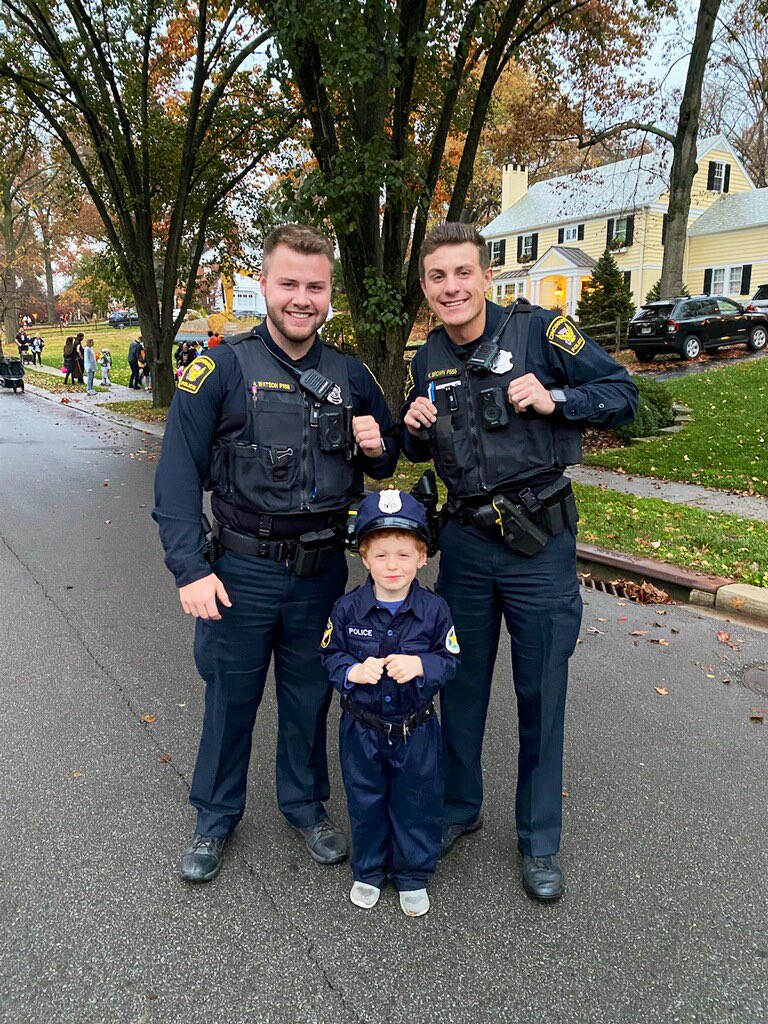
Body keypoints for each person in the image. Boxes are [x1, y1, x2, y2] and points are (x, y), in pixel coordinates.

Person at [153, 223, 400, 883]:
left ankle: (304, 806)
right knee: (231, 699)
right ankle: (214, 817)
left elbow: (388, 455)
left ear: (329, 294)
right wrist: (190, 569)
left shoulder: (349, 373)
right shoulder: (222, 368)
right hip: (238, 574)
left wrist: (378, 446)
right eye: (288, 283)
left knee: (308, 698)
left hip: (320, 575)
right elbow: (175, 476)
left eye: (314, 287)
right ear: (263, 285)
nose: (301, 298)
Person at [401, 222, 638, 902]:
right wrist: (414, 429)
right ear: (427, 287)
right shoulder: (427, 358)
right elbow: (424, 452)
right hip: (469, 547)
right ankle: (458, 809)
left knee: (541, 692)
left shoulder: (542, 333)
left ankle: (538, 841)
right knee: (460, 686)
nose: (452, 287)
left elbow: (622, 395)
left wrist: (557, 399)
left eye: (462, 273)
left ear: (485, 277)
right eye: (438, 277)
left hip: (539, 545)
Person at [320, 489, 459, 917]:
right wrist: (350, 672)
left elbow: (450, 661)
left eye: (403, 554)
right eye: (381, 555)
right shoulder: (347, 610)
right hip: (362, 728)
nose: (392, 565)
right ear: (364, 558)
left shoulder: (435, 611)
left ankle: (413, 874)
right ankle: (368, 869)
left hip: (415, 728)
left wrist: (421, 665)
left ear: (422, 557)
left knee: (416, 799)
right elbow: (329, 654)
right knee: (365, 798)